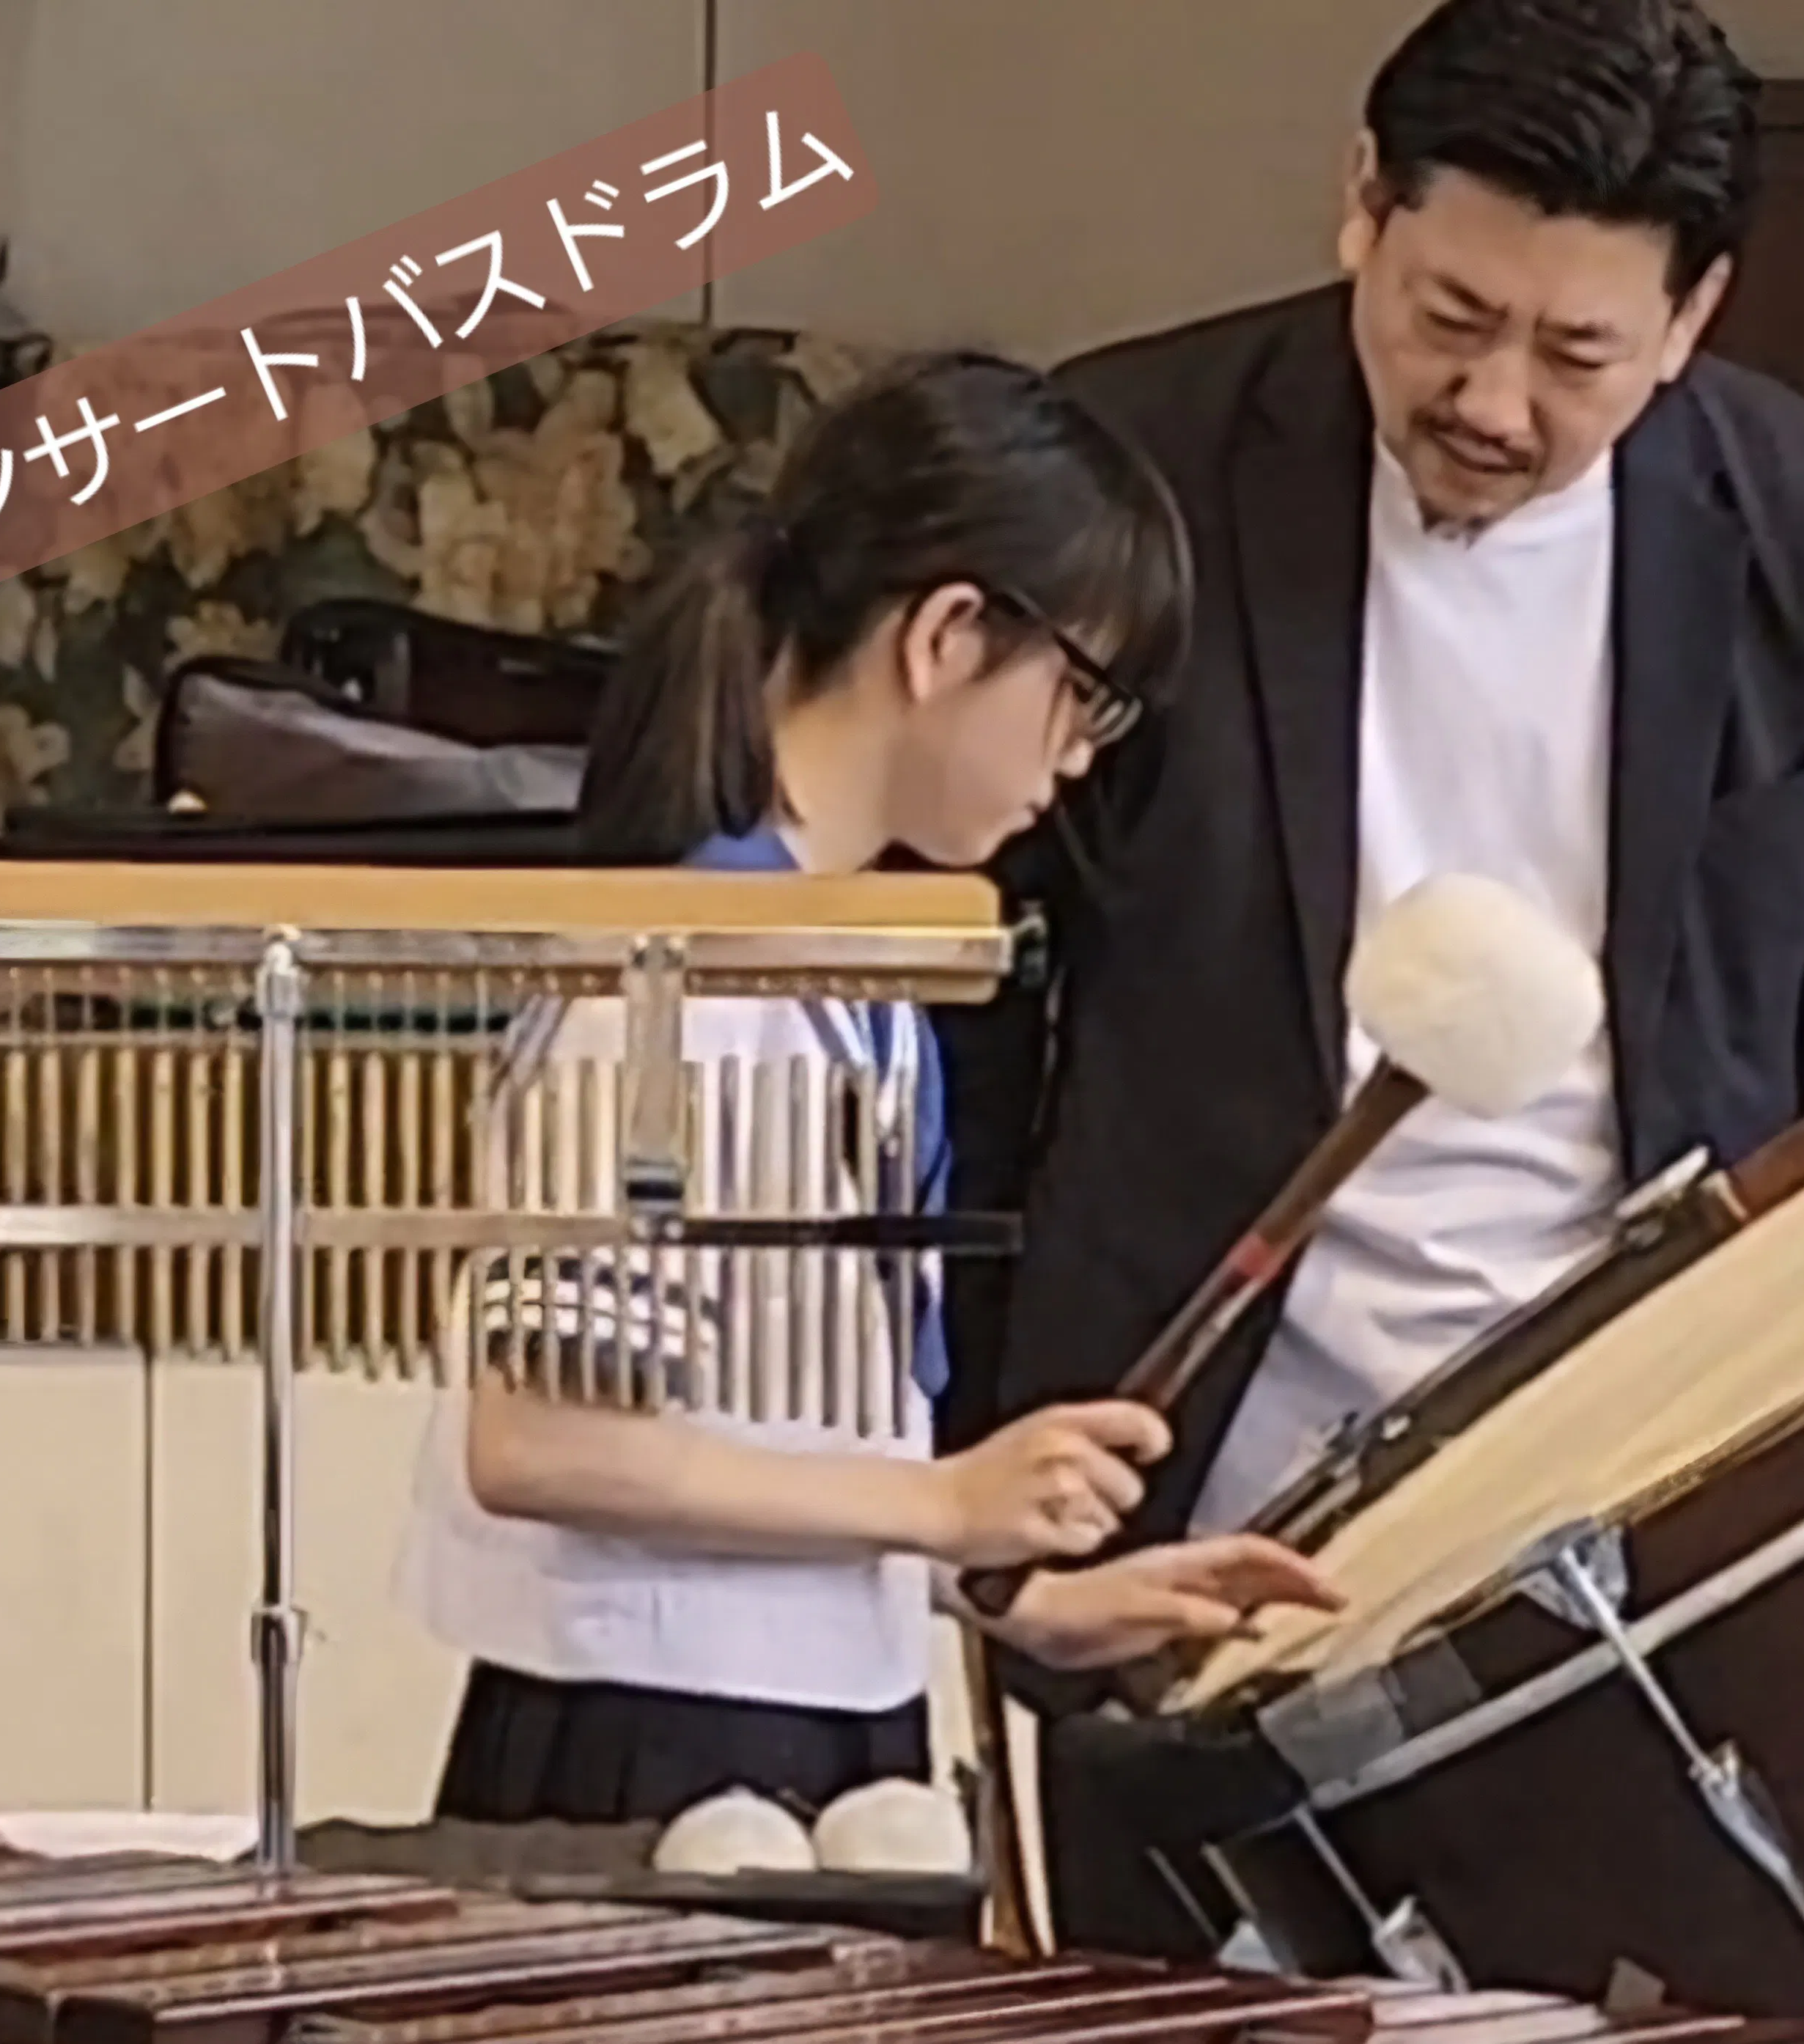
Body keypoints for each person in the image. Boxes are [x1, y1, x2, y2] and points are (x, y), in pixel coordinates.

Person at [931, 0, 1804, 1957]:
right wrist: (960, 1475)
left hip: (1647, 1478)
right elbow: (969, 1002)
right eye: (1449, 316)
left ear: (1690, 315)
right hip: (1189, 1469)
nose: (1494, 399)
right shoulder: (1142, 469)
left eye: (1578, 353)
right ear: (1361, 204)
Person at [393, 349, 1343, 1831]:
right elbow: (541, 1443)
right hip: (649, 1737)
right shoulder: (679, 976)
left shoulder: (844, 959)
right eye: (1082, 696)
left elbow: (775, 1437)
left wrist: (1014, 1590)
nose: (1077, 762)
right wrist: (944, 1501)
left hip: (793, 1716)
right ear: (949, 636)